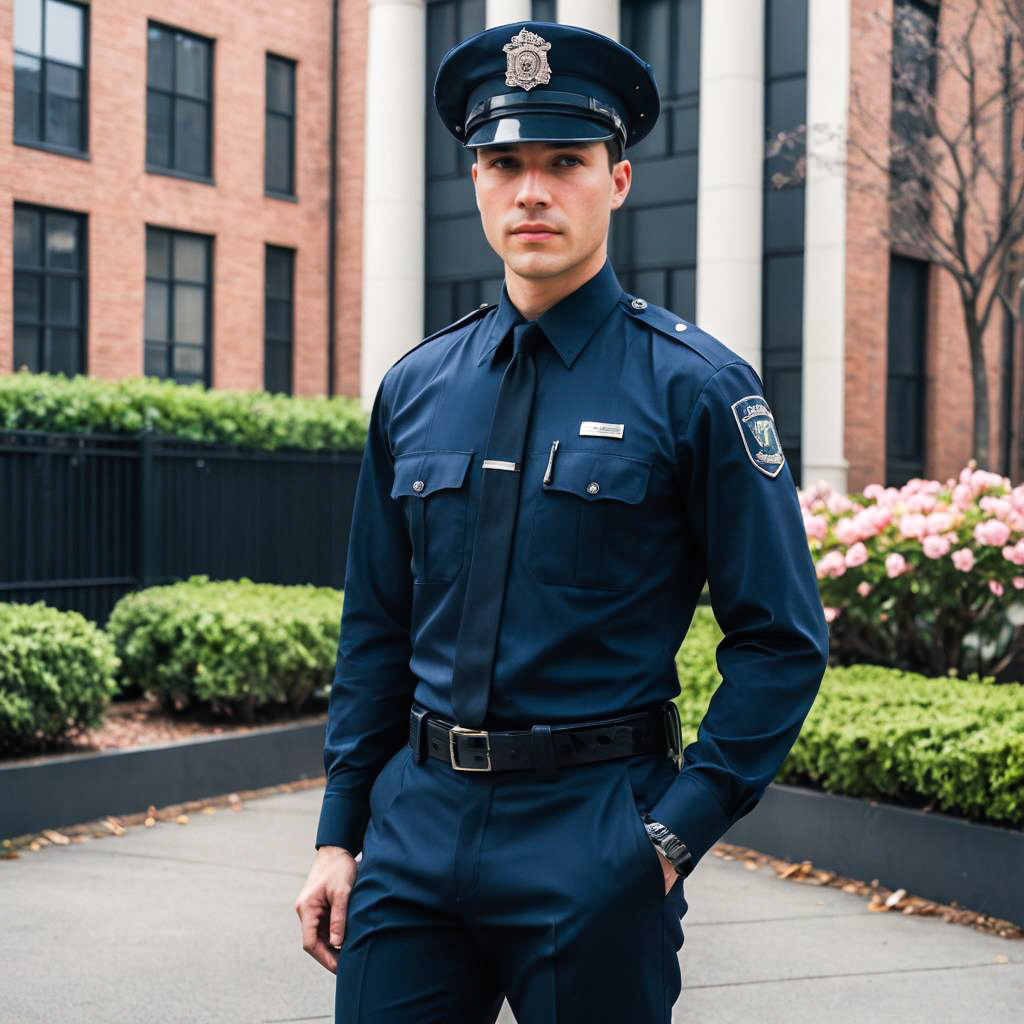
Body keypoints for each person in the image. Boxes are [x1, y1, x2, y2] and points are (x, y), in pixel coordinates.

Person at [295, 19, 829, 1023]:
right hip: (412, 832)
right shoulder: (415, 386)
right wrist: (338, 833)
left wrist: (671, 835)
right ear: (477, 181)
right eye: (504, 163)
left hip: (592, 835)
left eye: (565, 162)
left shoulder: (698, 389)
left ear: (617, 181)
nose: (531, 190)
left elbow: (781, 641)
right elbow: (376, 626)